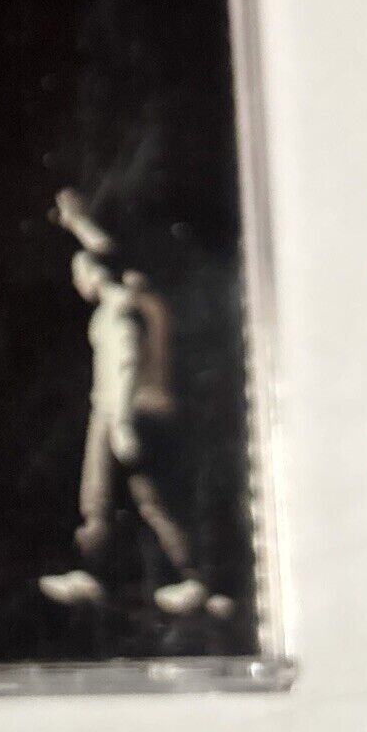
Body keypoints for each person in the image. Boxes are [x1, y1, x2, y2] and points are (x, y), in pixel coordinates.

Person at [38, 189, 228, 618]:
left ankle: (188, 579)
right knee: (137, 498)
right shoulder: (146, 300)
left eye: (80, 271)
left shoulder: (119, 310)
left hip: (123, 408)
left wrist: (120, 421)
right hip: (141, 408)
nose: (77, 280)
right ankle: (187, 578)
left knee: (114, 498)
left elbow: (125, 361)